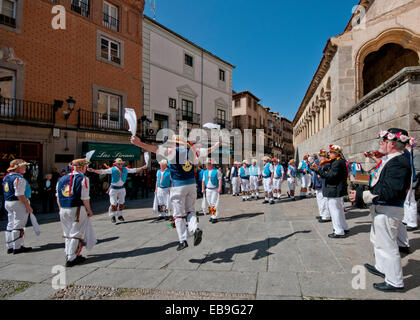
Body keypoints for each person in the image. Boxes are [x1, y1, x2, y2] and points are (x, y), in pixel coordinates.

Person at [131, 134, 221, 251]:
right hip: (192, 185)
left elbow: (154, 149)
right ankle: (194, 228)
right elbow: (207, 150)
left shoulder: (172, 151)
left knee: (178, 215)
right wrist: (216, 145)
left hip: (179, 186)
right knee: (190, 211)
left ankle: (182, 240)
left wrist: (140, 143)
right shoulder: (191, 150)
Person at [349, 128, 412, 292]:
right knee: (377, 240)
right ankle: (382, 267)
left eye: (383, 141)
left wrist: (363, 195)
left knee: (388, 245)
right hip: (382, 207)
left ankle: (395, 281)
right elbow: (380, 179)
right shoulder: (391, 160)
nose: (380, 144)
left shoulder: (399, 162)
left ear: (391, 143)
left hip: (389, 208)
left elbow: (391, 191)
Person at [56, 158, 96, 267]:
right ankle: (72, 258)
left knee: (68, 233)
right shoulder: (83, 178)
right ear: (82, 167)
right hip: (77, 208)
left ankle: (69, 253)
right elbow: (85, 198)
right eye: (85, 167)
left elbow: (58, 197)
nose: (86, 169)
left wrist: (60, 208)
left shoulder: (61, 179)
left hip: (64, 208)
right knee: (76, 233)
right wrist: (89, 210)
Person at [88, 158, 146, 223]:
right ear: (116, 164)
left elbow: (134, 170)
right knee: (113, 203)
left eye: (121, 163)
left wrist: (142, 167)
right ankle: (113, 216)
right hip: (113, 189)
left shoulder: (125, 169)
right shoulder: (112, 169)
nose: (120, 164)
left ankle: (120, 215)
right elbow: (103, 171)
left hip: (122, 188)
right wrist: (94, 170)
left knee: (121, 202)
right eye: (119, 163)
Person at [312, 145, 349, 238]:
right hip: (336, 188)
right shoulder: (339, 161)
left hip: (334, 188)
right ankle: (344, 227)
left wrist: (318, 170)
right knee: (339, 209)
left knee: (334, 210)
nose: (329, 154)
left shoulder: (337, 162)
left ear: (337, 153)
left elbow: (330, 176)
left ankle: (338, 231)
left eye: (331, 152)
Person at [3, 159, 34, 254]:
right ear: (18, 168)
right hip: (18, 203)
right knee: (18, 225)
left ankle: (10, 246)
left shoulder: (6, 177)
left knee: (10, 224)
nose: (25, 167)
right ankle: (17, 247)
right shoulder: (19, 178)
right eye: (23, 166)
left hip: (8, 202)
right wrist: (27, 205)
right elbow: (20, 194)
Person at [403, 138, 418, 231]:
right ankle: (407, 219)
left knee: (411, 201)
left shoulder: (415, 153)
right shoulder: (406, 153)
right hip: (406, 180)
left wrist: (414, 182)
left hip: (412, 181)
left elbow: (417, 169)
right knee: (406, 201)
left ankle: (412, 222)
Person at [313, 150, 331, 223]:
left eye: (322, 156)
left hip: (324, 183)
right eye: (320, 156)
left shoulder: (327, 163)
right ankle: (322, 214)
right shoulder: (319, 162)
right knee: (319, 199)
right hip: (318, 183)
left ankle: (326, 216)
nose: (320, 157)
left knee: (324, 200)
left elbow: (324, 171)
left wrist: (318, 168)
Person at [202, 159, 222, 223]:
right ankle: (212, 215)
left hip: (214, 189)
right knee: (210, 203)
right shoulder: (205, 172)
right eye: (205, 164)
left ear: (210, 164)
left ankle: (214, 217)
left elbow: (220, 180)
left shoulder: (217, 171)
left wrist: (219, 188)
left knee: (213, 203)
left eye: (207, 164)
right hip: (208, 189)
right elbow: (203, 181)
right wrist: (203, 188)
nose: (206, 165)